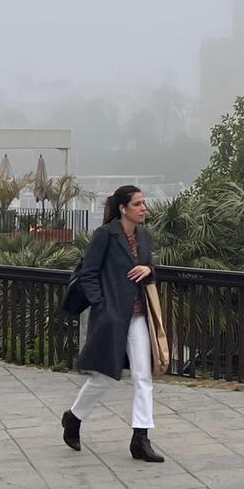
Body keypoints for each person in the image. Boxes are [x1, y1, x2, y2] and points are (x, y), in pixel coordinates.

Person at [61, 185, 164, 462]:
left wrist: (149, 270)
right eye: (138, 204)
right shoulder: (105, 235)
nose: (144, 208)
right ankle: (73, 418)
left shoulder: (143, 236)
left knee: (143, 376)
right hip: (112, 316)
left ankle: (140, 439)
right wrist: (102, 306)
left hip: (139, 316)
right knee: (105, 377)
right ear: (123, 208)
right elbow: (89, 274)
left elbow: (150, 269)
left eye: (144, 203)